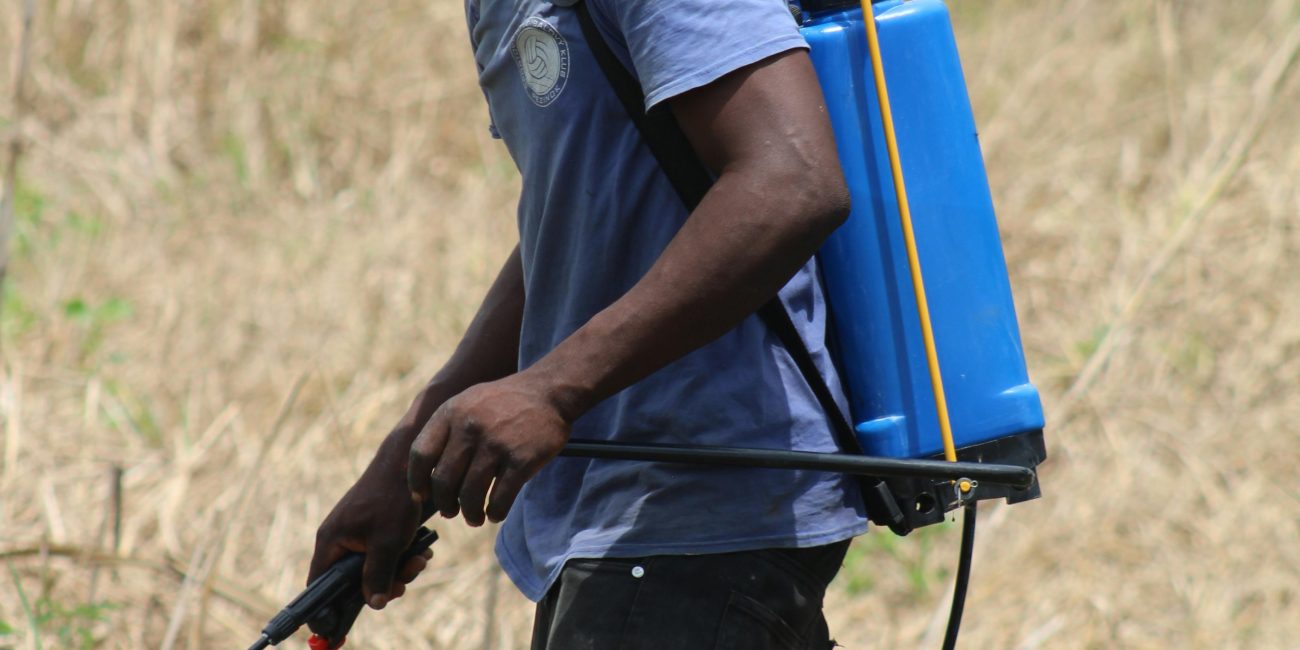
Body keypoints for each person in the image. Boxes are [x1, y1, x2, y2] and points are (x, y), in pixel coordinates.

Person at [308, 0, 868, 647]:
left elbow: (792, 181)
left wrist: (553, 388)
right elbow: (580, 215)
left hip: (699, 506)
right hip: (622, 518)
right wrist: (409, 455)